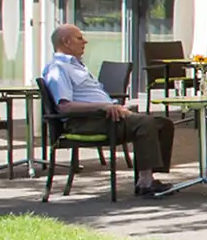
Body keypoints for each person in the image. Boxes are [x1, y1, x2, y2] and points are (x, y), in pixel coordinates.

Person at [41, 24, 179, 199]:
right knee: (146, 123)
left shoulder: (76, 66)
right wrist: (103, 107)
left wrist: (115, 106)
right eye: (79, 38)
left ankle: (148, 174)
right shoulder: (58, 69)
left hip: (106, 117)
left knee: (163, 123)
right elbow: (64, 106)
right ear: (66, 42)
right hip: (87, 122)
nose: (85, 41)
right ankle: (145, 182)